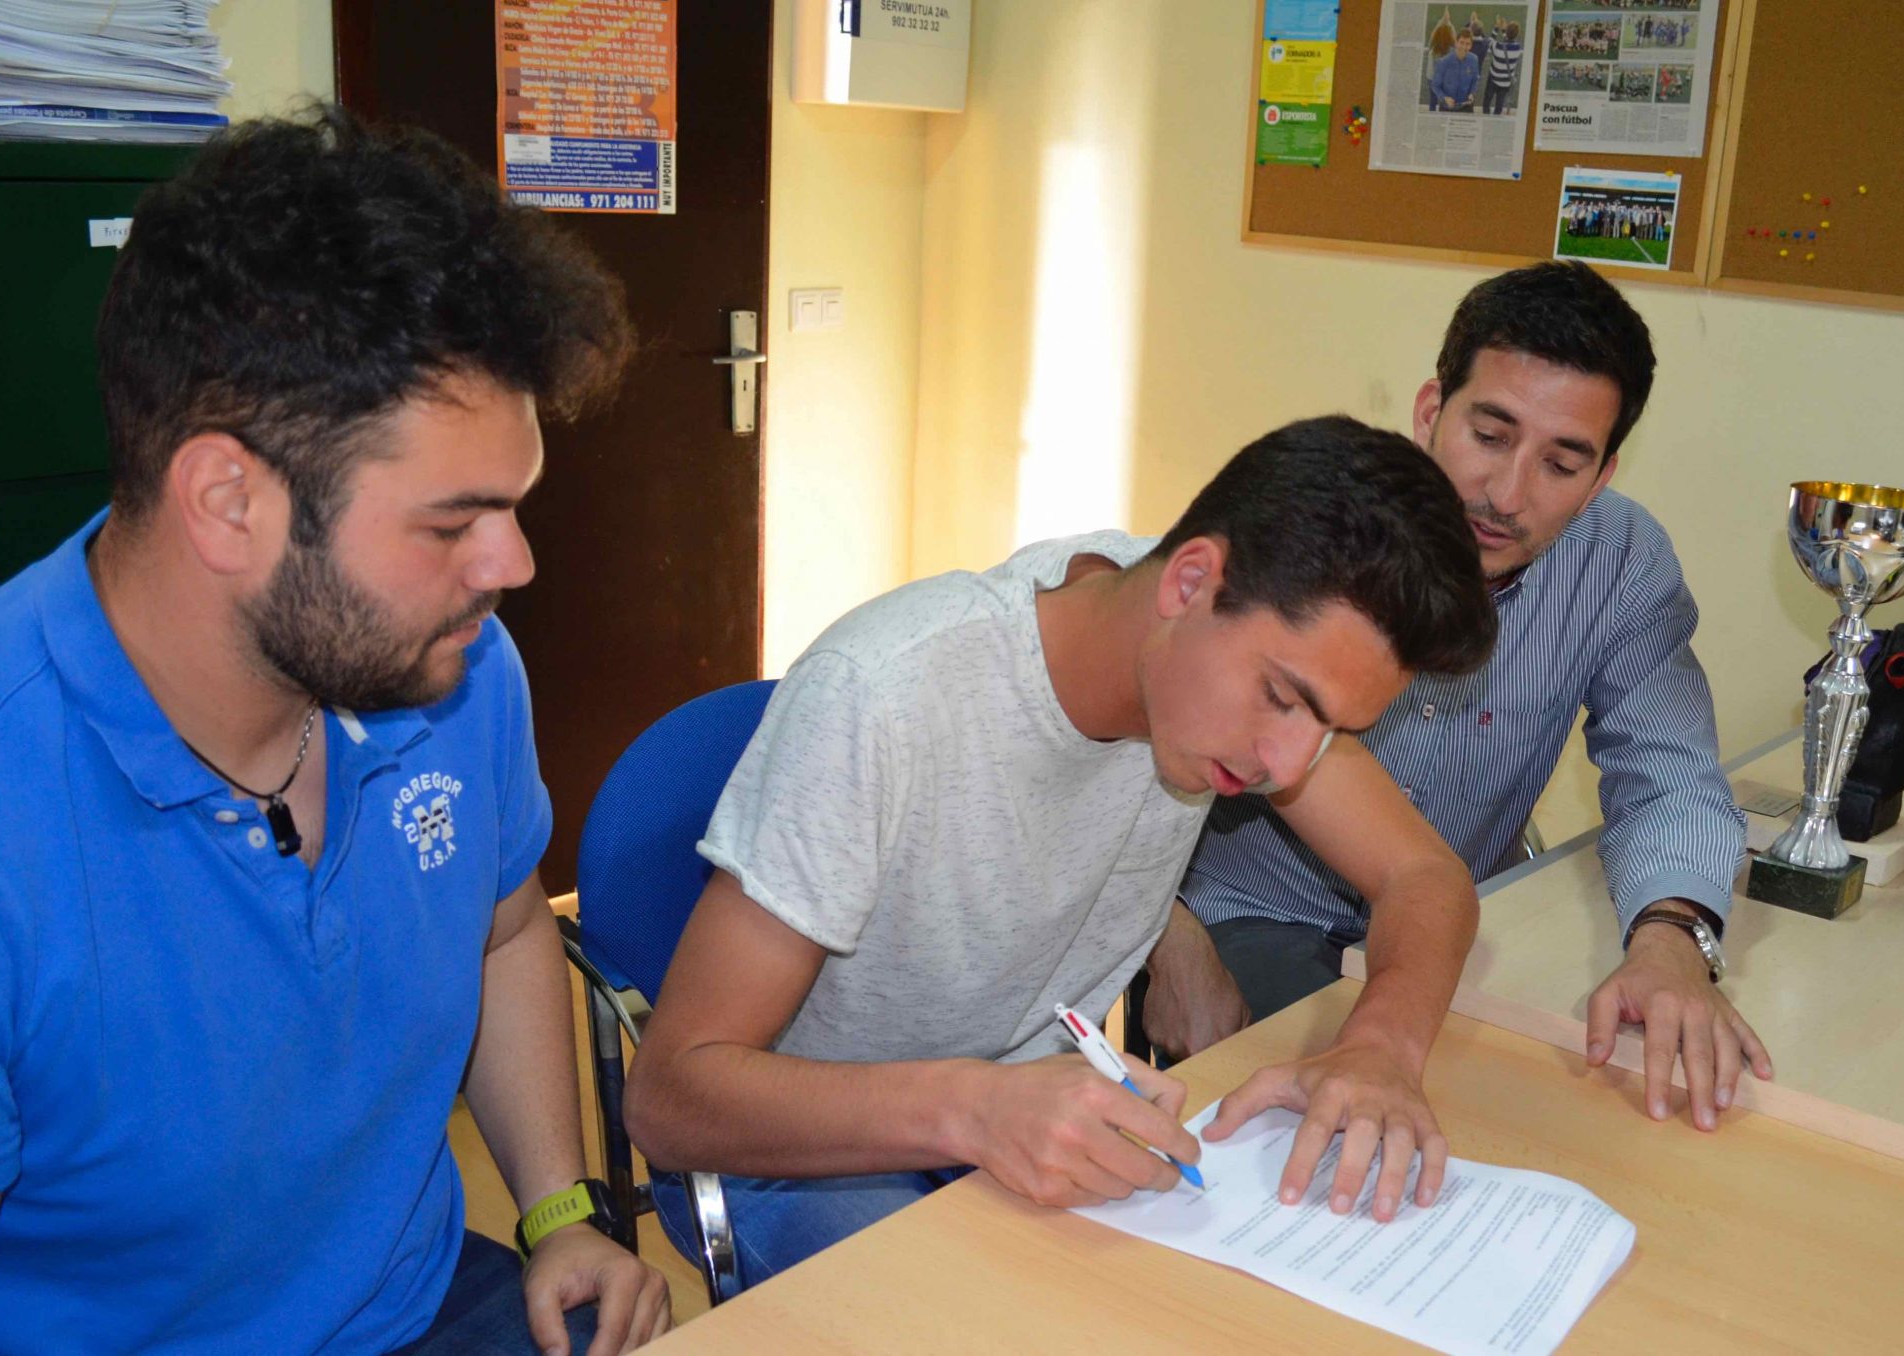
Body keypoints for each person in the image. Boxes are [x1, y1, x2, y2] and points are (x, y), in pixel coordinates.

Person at [0, 108, 672, 1354]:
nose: (510, 564)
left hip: (419, 1307)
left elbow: (508, 924)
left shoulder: (456, 672)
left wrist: (559, 1211)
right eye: (451, 522)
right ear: (226, 500)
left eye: (513, 507)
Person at [624, 416, 1500, 1286]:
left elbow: (1424, 876)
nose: (1289, 763)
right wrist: (976, 1107)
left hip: (1017, 1121)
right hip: (797, 1149)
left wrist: (1381, 1050)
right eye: (1282, 698)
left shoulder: (1219, 650)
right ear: (1190, 580)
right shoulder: (882, 696)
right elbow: (669, 1099)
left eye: (1332, 729)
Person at [1151, 262, 1772, 1135]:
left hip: (1453, 927)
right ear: (1429, 411)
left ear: (1602, 476)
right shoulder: (1312, 522)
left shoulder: (1620, 562)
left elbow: (1668, 772)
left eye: (1561, 463)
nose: (1507, 495)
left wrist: (1672, 939)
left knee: (1563, 1124)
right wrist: (1165, 933)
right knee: (1304, 1141)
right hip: (1252, 914)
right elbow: (1141, 725)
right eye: (1489, 434)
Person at [1430, 29, 1483, 111]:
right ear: (1456, 43)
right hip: (1447, 107)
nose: (1464, 47)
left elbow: (1475, 80)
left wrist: (1472, 93)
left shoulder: (1474, 60)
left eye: (1467, 44)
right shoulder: (1444, 62)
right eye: (1461, 42)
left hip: (1466, 106)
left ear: (1471, 46)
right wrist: (1445, 98)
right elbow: (1435, 85)